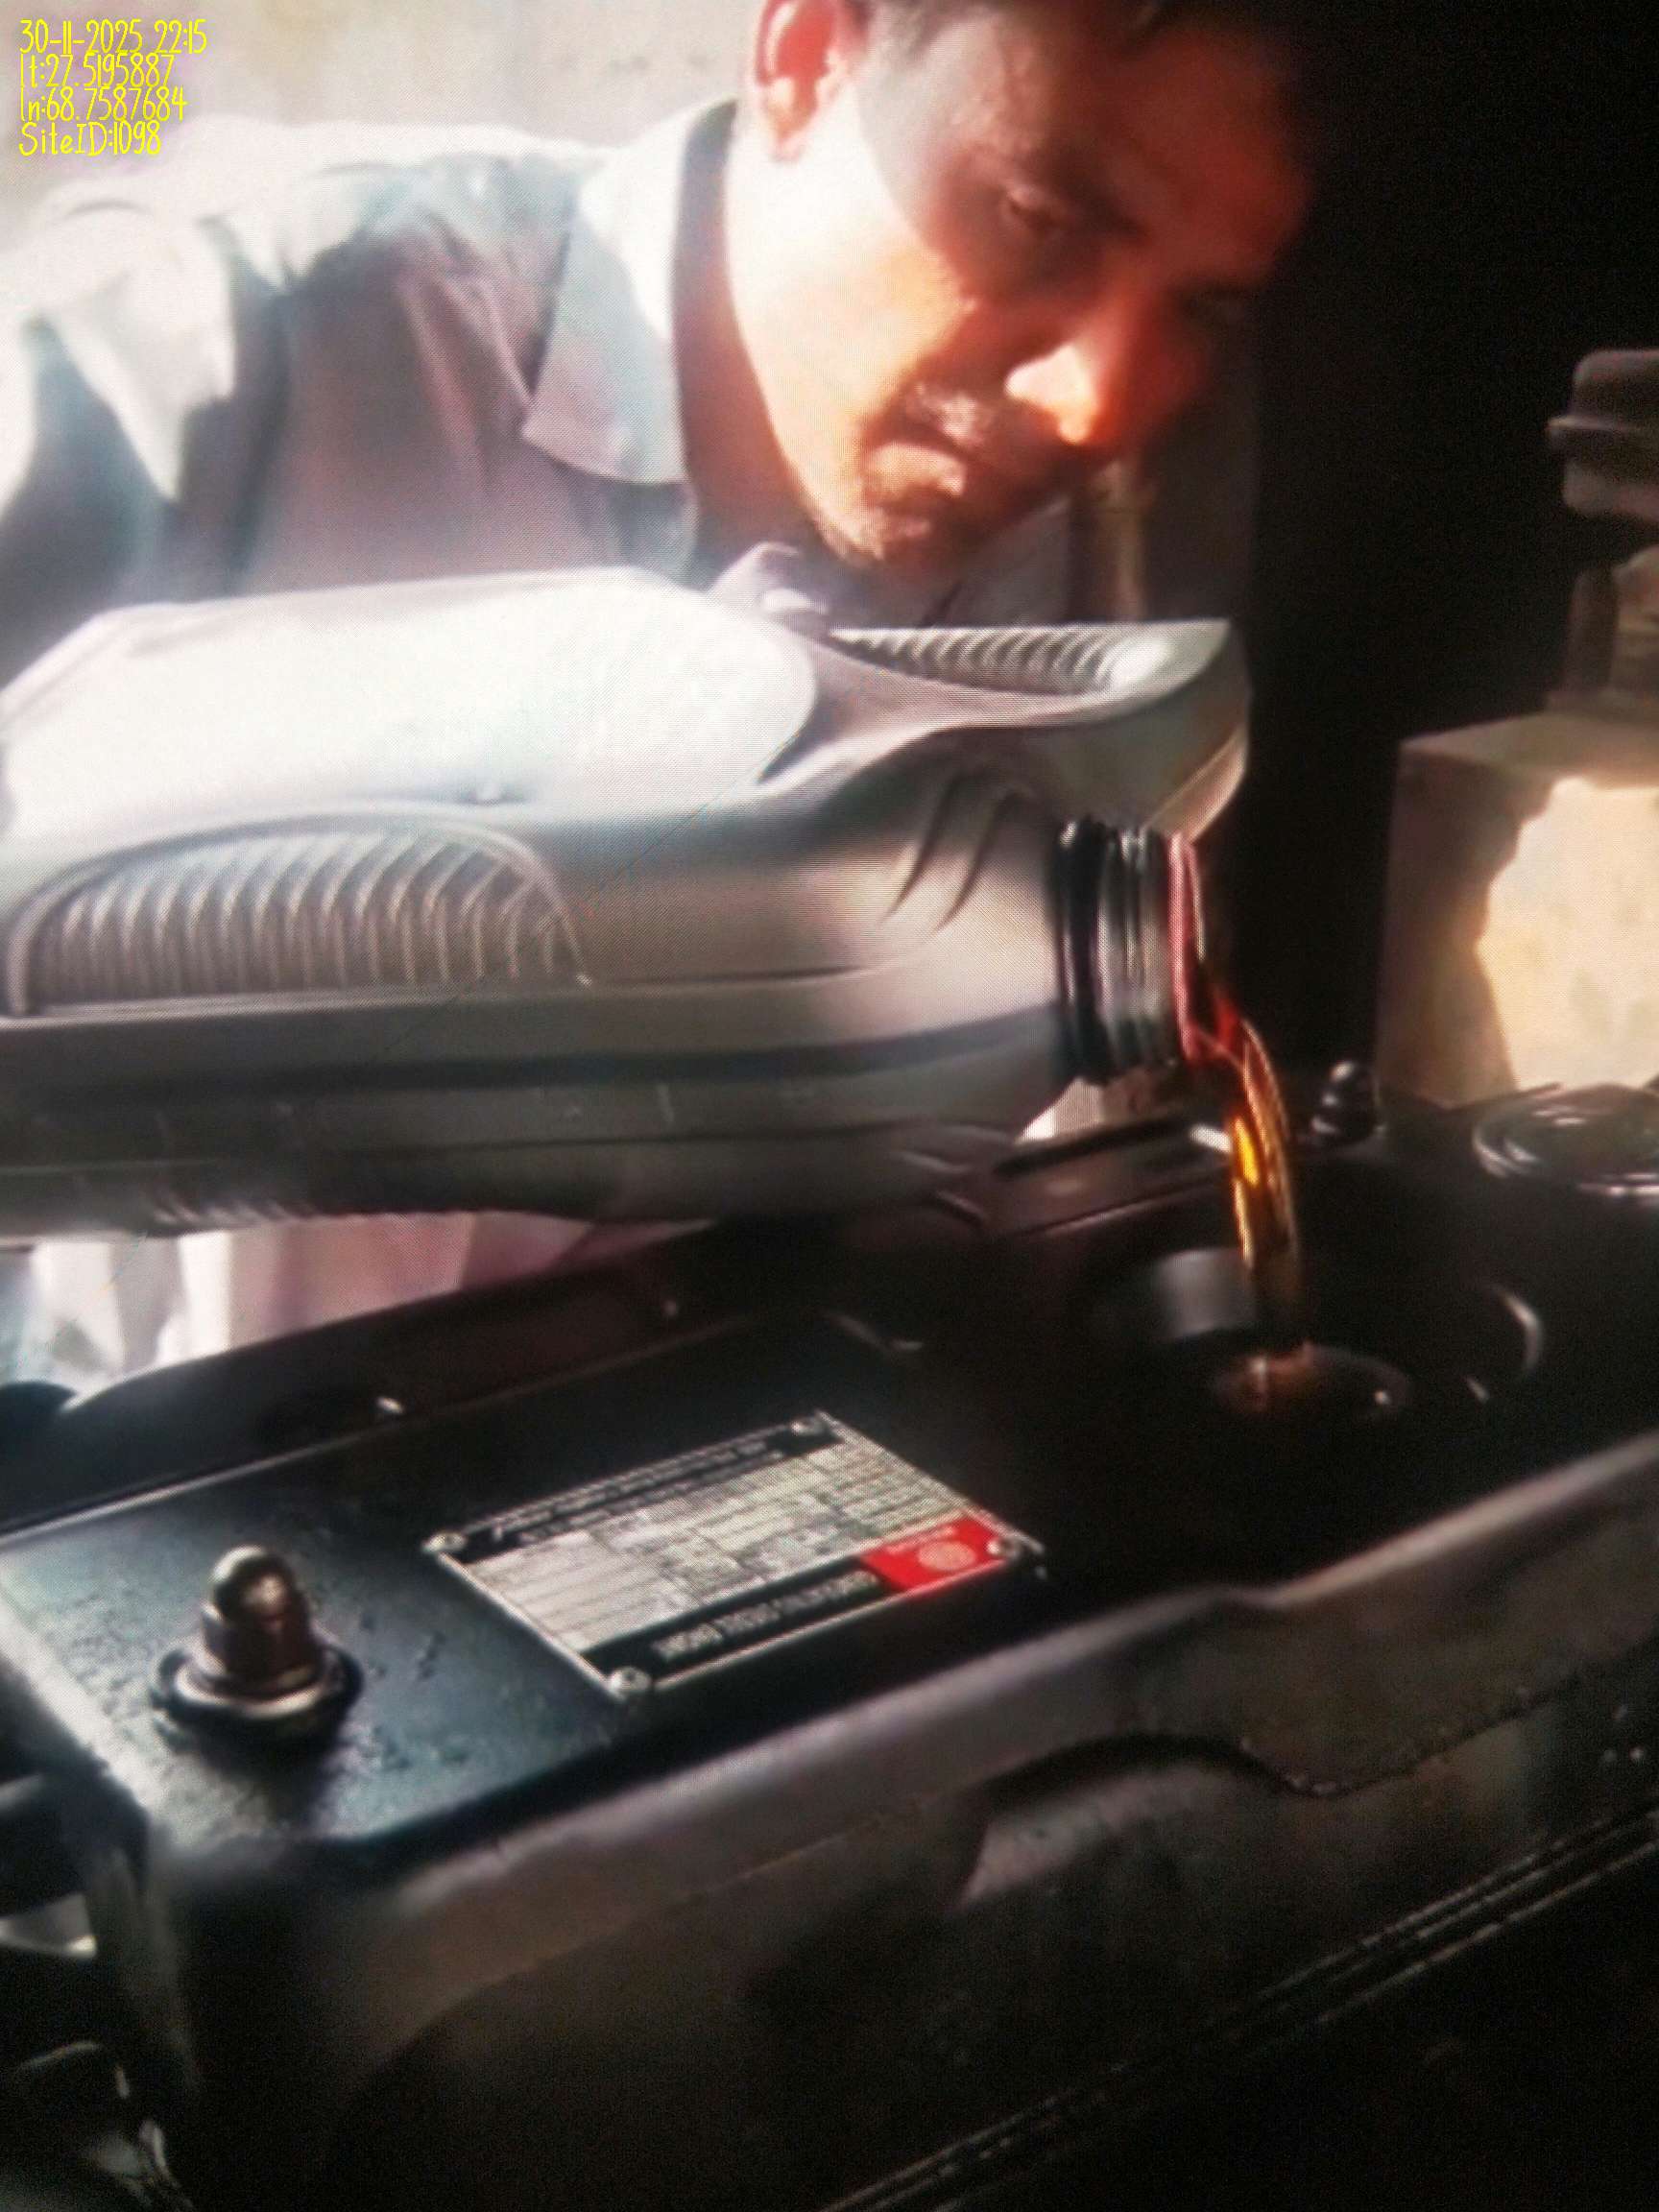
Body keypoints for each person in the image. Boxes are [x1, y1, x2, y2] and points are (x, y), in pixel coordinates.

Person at [0, 0, 1318, 1386]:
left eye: (1201, 308)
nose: (1097, 402)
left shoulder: (1047, 549)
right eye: (1040, 218)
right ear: (808, 57)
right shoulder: (204, 345)